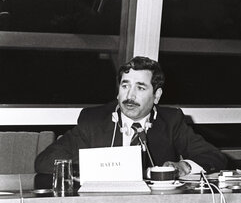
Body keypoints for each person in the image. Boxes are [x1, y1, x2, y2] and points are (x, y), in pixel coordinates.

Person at [35, 56, 226, 175]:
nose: (129, 96)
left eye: (140, 88)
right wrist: (100, 168)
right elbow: (45, 161)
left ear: (156, 96)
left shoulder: (171, 121)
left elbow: (214, 157)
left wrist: (183, 167)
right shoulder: (93, 119)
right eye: (125, 86)